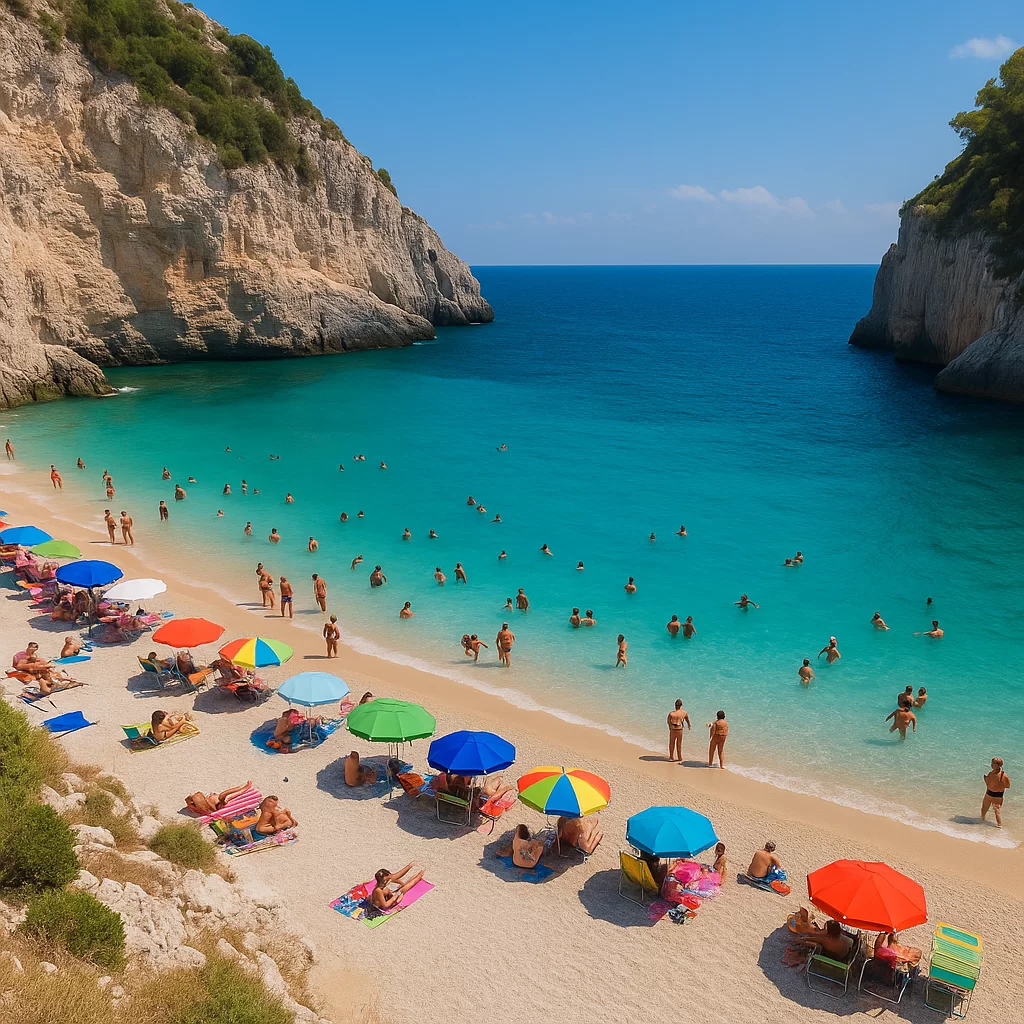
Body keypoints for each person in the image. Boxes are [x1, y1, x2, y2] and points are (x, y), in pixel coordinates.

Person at [185, 781, 253, 816]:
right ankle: (243, 787)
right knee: (224, 795)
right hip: (219, 804)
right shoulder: (213, 800)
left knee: (223, 795)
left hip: (215, 804)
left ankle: (241, 788)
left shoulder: (198, 807)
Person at [982, 757, 1010, 827]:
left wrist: (986, 779)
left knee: (990, 810)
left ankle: (997, 825)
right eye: (991, 763)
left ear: (998, 765)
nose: (991, 765)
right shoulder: (999, 774)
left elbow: (1007, 785)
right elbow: (1007, 786)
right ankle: (998, 825)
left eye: (993, 763)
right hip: (994, 794)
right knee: (990, 810)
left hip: (993, 795)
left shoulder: (1001, 775)